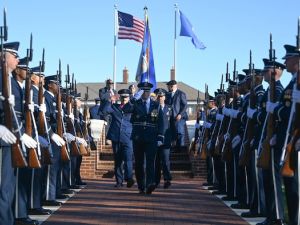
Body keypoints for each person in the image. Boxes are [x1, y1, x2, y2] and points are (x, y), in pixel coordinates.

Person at [124, 82, 159, 194]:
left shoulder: (155, 104)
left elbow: (159, 121)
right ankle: (141, 186)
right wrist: (133, 99)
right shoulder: (135, 103)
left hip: (151, 136)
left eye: (148, 91)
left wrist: (160, 137)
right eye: (143, 91)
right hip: (138, 137)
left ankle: (150, 184)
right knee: (139, 163)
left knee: (150, 161)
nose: (146, 93)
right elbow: (125, 109)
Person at [101, 89, 135, 188]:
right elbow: (104, 112)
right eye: (123, 97)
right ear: (119, 97)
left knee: (128, 159)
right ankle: (119, 181)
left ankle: (129, 178)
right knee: (118, 161)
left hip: (128, 137)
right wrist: (109, 100)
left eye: (126, 97)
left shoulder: (132, 107)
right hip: (116, 137)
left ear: (129, 97)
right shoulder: (114, 107)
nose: (124, 99)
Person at [154, 88, 172, 189]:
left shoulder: (170, 108)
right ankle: (156, 181)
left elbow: (172, 124)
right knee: (156, 161)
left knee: (165, 160)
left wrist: (173, 137)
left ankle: (167, 179)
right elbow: (153, 122)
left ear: (165, 97)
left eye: (162, 96)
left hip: (166, 139)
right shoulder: (154, 109)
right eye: (159, 96)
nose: (160, 98)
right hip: (156, 139)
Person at [165, 80, 188, 151]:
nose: (167, 87)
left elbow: (185, 105)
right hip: (171, 117)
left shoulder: (181, 94)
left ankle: (180, 147)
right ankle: (174, 148)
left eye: (168, 86)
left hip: (180, 117)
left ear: (172, 86)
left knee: (179, 132)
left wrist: (180, 114)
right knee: (173, 132)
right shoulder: (168, 94)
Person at [98, 79, 117, 145]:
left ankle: (112, 138)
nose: (111, 84)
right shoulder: (102, 90)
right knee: (106, 126)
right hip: (105, 111)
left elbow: (116, 99)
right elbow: (102, 98)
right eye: (109, 83)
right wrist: (109, 95)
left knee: (112, 125)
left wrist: (113, 95)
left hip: (112, 111)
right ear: (106, 84)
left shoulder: (114, 91)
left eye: (112, 83)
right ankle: (107, 139)